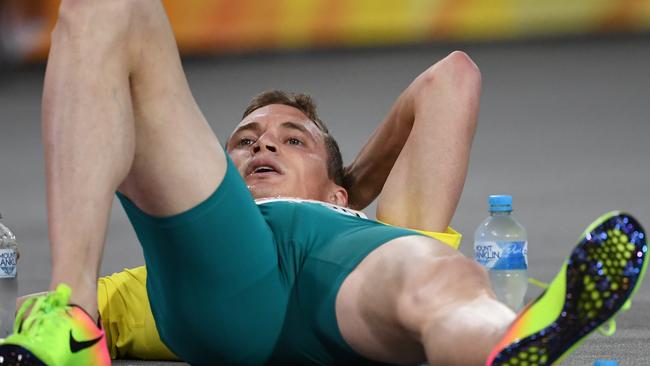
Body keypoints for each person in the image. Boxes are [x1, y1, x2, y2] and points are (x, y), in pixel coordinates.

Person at [0, 1, 646, 365]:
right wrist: (329, 180)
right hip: (230, 275)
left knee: (439, 274)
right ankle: (73, 318)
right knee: (112, 5)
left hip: (355, 284)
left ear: (337, 187)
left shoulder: (377, 223)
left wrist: (351, 188)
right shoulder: (161, 269)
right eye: (247, 140)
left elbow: (452, 78)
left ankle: (503, 345)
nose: (264, 143)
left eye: (293, 138)